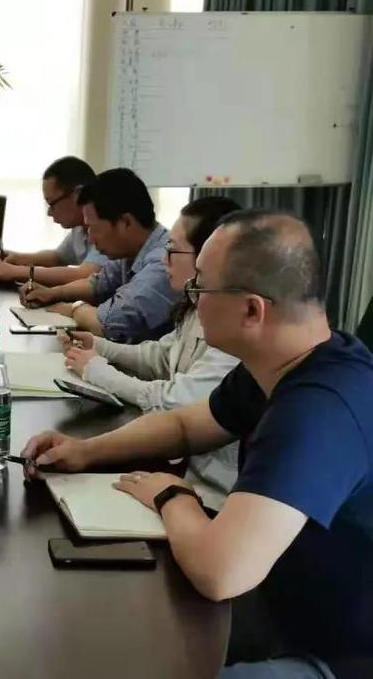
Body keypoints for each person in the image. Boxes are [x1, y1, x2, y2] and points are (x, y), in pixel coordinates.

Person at [20, 210, 373, 679]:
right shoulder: (284, 362)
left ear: (252, 310)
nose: (190, 298)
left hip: (333, 655)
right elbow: (186, 425)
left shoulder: (318, 411)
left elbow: (220, 571)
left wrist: (172, 495)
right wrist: (85, 450)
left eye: (201, 287)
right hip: (280, 603)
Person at [57, 196, 241, 509]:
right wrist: (100, 347)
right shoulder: (198, 307)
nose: (164, 261)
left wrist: (97, 370)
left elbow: (174, 403)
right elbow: (161, 356)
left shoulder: (232, 329)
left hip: (210, 494)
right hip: (183, 471)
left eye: (173, 251)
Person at [20, 167, 179, 344]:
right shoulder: (130, 251)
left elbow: (110, 324)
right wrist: (52, 293)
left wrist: (75, 308)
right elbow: (97, 284)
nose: (90, 239)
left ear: (125, 222)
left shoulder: (163, 262)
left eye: (93, 228)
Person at [0, 156, 107, 286]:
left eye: (52, 203)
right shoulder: (79, 228)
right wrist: (18, 258)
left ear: (78, 194)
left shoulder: (107, 224)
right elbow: (58, 257)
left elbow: (85, 275)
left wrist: (16, 272)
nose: (49, 212)